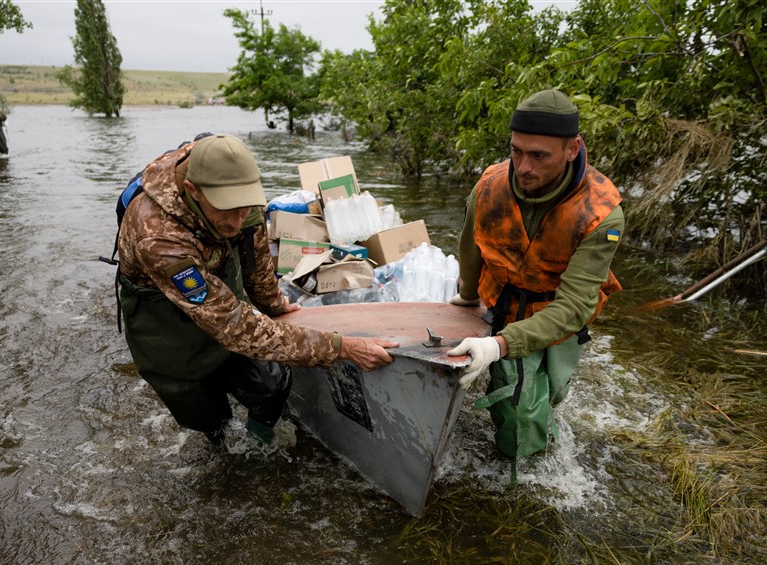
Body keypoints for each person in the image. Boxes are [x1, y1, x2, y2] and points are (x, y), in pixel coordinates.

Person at [116, 134, 398, 445]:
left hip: (216, 283)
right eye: (226, 211)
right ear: (193, 191)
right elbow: (233, 326)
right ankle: (222, 449)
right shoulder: (156, 237)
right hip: (162, 317)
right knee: (205, 413)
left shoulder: (236, 189)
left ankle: (255, 447)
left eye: (244, 209)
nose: (236, 222)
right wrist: (341, 348)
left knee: (271, 384)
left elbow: (255, 258)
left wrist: (274, 304)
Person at [447, 89, 625, 461]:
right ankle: (521, 466)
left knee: (553, 392)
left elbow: (575, 306)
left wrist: (496, 347)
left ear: (572, 149)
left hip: (557, 315)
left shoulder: (601, 213)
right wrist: (467, 297)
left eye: (539, 155)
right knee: (519, 423)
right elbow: (471, 246)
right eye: (516, 151)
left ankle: (539, 403)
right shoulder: (489, 187)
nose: (523, 167)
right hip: (504, 305)